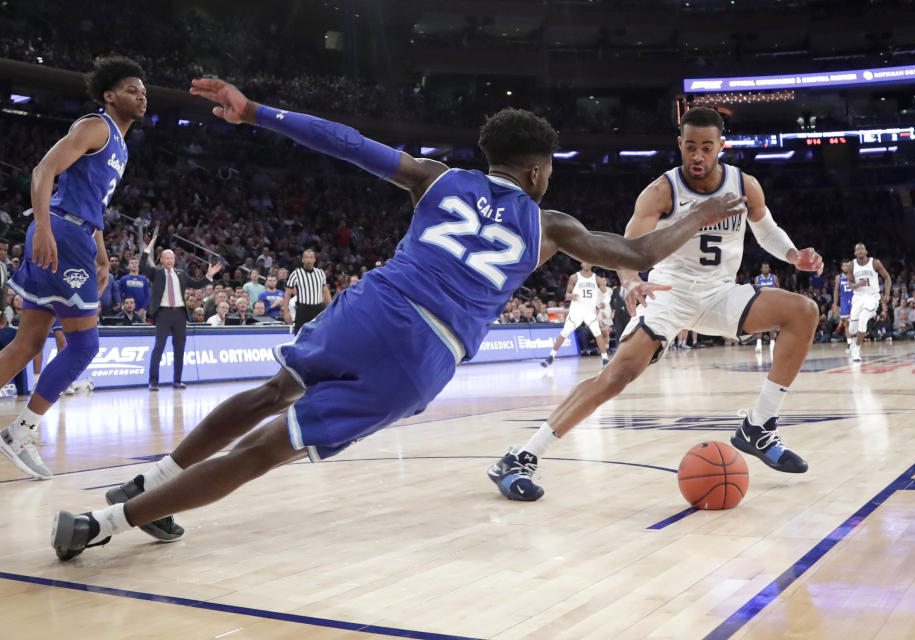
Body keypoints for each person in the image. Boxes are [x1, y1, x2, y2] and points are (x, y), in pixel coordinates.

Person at [51, 78, 745, 559]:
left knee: (271, 394)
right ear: (536, 174)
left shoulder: (438, 176)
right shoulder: (551, 223)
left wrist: (256, 109)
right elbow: (641, 249)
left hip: (373, 304)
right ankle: (100, 523)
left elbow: (349, 143)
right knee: (269, 448)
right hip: (424, 352)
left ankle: (147, 483)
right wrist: (704, 212)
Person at [488, 107, 824, 503]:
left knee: (804, 311)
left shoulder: (744, 185)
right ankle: (522, 455)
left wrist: (791, 254)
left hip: (720, 292)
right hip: (669, 293)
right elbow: (628, 245)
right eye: (690, 147)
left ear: (721, 147)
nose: (697, 156)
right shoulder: (662, 191)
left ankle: (759, 425)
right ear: (679, 145)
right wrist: (630, 282)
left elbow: (764, 226)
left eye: (706, 147)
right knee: (617, 376)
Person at [0, 57, 146, 480]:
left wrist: (101, 254)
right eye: (132, 88)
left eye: (143, 90)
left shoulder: (119, 144)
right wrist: (44, 226)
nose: (141, 94)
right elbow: (44, 169)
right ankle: (22, 432)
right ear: (109, 95)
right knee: (84, 346)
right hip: (61, 234)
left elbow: (93, 207)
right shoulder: (97, 126)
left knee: (26, 344)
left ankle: (22, 431)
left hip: (75, 233)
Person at [140, 233, 222, 391]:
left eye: (171, 258)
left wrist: (209, 275)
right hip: (163, 313)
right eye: (166, 258)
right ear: (162, 260)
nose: (170, 260)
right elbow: (143, 266)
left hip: (179, 315)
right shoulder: (156, 273)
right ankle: (153, 382)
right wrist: (147, 250)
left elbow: (197, 284)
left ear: (174, 260)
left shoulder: (181, 273)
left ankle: (177, 380)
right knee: (159, 347)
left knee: (179, 348)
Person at [541, 262, 609, 368]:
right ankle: (551, 357)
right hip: (576, 311)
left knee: (597, 333)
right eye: (584, 262)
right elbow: (567, 294)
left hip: (590, 312)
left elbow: (607, 295)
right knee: (564, 333)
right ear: (581, 264)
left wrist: (604, 303)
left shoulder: (597, 279)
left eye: (588, 262)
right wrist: (571, 296)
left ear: (592, 265)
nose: (586, 264)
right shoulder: (574, 277)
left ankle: (605, 359)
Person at [849, 242, 891, 362]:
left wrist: (887, 293)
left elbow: (887, 277)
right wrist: (858, 284)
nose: (861, 251)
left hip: (872, 297)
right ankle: (853, 341)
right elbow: (850, 284)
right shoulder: (852, 265)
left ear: (866, 251)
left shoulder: (875, 263)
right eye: (858, 249)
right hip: (858, 297)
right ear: (855, 253)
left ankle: (856, 350)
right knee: (852, 329)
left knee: (863, 319)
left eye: (863, 249)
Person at [283, 249, 331, 332]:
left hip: (318, 309)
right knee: (300, 336)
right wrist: (286, 312)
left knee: (320, 334)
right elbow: (287, 294)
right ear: (302, 260)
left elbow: (325, 291)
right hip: (303, 310)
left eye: (311, 257)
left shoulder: (320, 273)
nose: (308, 259)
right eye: (306, 257)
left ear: (314, 259)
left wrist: (331, 307)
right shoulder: (296, 274)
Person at [753, 261, 778, 352]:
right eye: (764, 267)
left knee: (772, 324)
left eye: (767, 267)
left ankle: (772, 344)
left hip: (772, 304)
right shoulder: (757, 278)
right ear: (761, 269)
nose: (765, 269)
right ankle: (758, 344)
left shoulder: (774, 278)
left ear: (769, 269)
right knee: (760, 324)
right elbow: (755, 292)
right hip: (761, 304)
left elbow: (778, 290)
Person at [832, 259, 854, 350]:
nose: (846, 267)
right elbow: (836, 291)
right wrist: (835, 304)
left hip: (854, 300)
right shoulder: (838, 277)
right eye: (844, 265)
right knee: (846, 322)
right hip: (844, 301)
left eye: (847, 265)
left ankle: (856, 340)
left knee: (855, 321)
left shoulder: (854, 275)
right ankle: (849, 342)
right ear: (841, 267)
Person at [118, 256, 150, 320]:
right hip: (127, 310)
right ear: (128, 266)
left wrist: (143, 308)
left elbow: (148, 296)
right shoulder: (124, 279)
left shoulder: (144, 279)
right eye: (132, 263)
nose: (134, 265)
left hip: (141, 311)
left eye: (136, 263)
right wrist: (123, 307)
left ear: (138, 265)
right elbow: (119, 295)